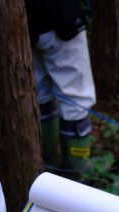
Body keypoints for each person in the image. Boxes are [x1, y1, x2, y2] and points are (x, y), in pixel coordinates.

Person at [25, 0, 96, 173]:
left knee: (39, 91)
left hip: (25, 17)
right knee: (76, 97)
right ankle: (78, 171)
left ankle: (48, 163)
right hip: (60, 16)